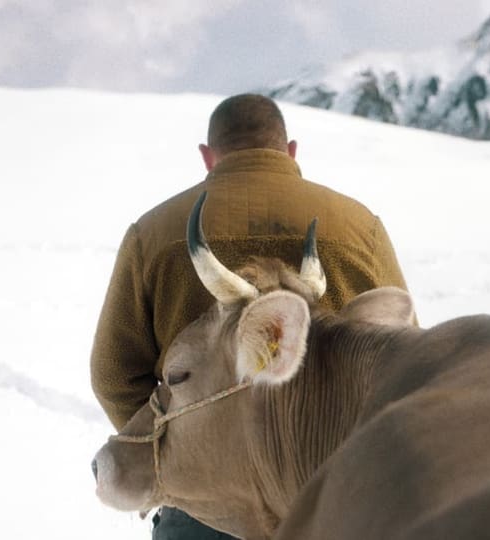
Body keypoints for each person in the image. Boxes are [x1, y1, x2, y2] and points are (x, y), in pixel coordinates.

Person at [90, 94, 412, 539]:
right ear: (290, 151)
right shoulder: (359, 226)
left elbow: (113, 374)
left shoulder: (152, 232)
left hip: (202, 505)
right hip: (336, 499)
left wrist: (183, 452)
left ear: (207, 157)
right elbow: (402, 355)